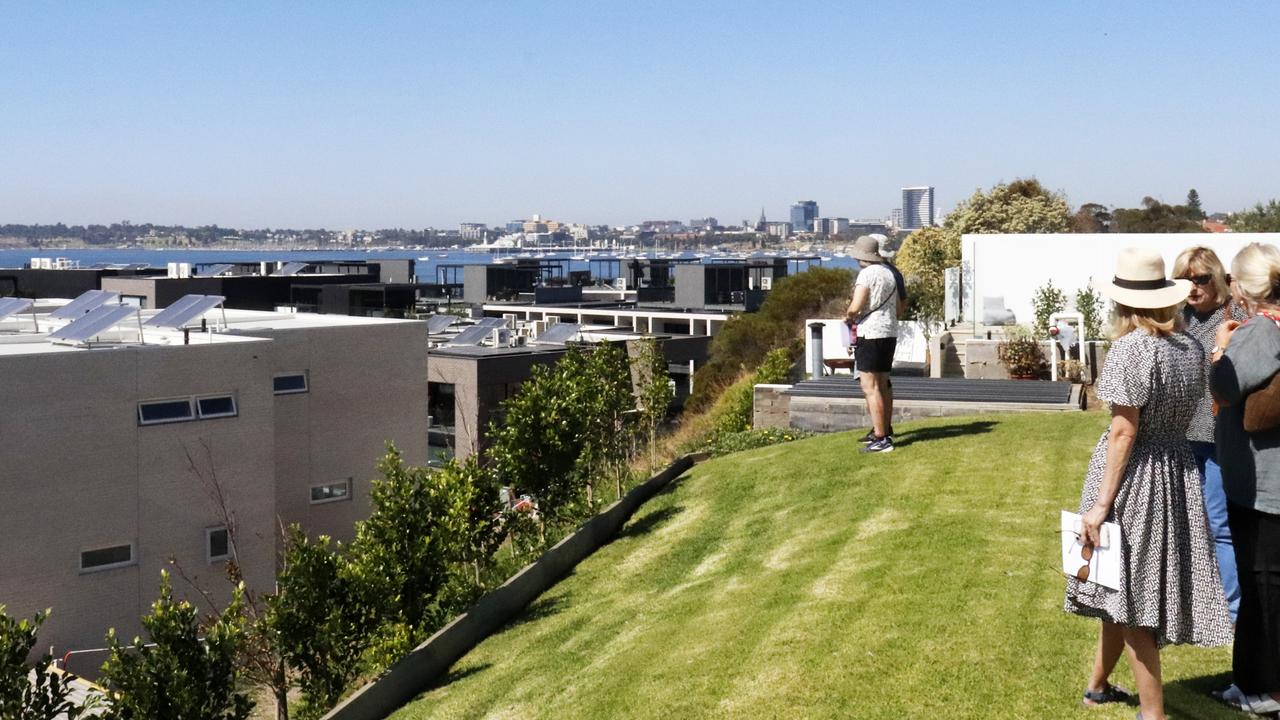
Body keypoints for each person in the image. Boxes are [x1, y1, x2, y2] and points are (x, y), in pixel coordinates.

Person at [1065, 247, 1232, 720]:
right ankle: (1098, 685)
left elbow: (1124, 431)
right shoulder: (1189, 346)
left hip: (1137, 475)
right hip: (1176, 469)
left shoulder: (1132, 349)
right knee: (1118, 582)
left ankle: (1153, 713)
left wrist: (1100, 504)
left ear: (1124, 303)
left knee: (1133, 597)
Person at [1208, 242, 1280, 715]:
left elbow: (1225, 385)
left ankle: (1271, 691)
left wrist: (1219, 350)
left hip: (1263, 483)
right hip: (1263, 479)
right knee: (1260, 589)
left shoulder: (1259, 331)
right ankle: (1248, 682)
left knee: (1266, 587)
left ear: (1245, 287)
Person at [1173, 246, 1245, 623]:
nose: (1193, 286)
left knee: (1219, 525)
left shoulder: (1235, 316)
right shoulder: (1177, 318)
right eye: (1185, 278)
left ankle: (1232, 610)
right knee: (1188, 524)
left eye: (1201, 278)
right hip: (1182, 437)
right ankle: (1197, 604)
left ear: (1216, 278)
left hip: (1221, 438)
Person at [846, 235, 905, 454]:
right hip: (889, 332)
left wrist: (849, 316)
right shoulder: (889, 274)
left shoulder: (867, 274)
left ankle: (881, 438)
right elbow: (899, 308)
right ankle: (884, 432)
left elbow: (856, 305)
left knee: (870, 387)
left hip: (870, 333)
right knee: (882, 384)